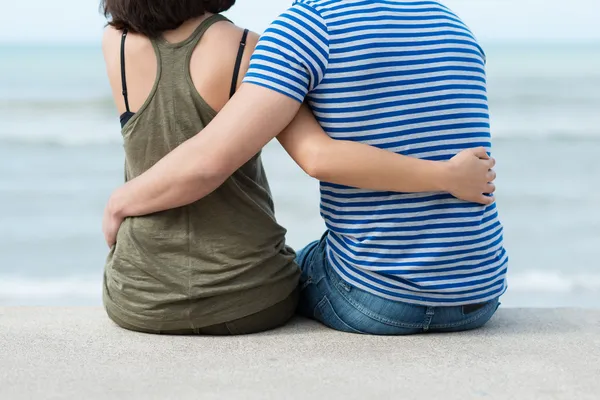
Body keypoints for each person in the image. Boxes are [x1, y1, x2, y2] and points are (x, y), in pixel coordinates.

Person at [101, 0, 500, 335]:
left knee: (301, 267)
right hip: (480, 293)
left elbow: (307, 157)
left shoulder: (307, 27)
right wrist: (451, 176)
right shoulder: (451, 23)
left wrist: (120, 202)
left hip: (378, 301)